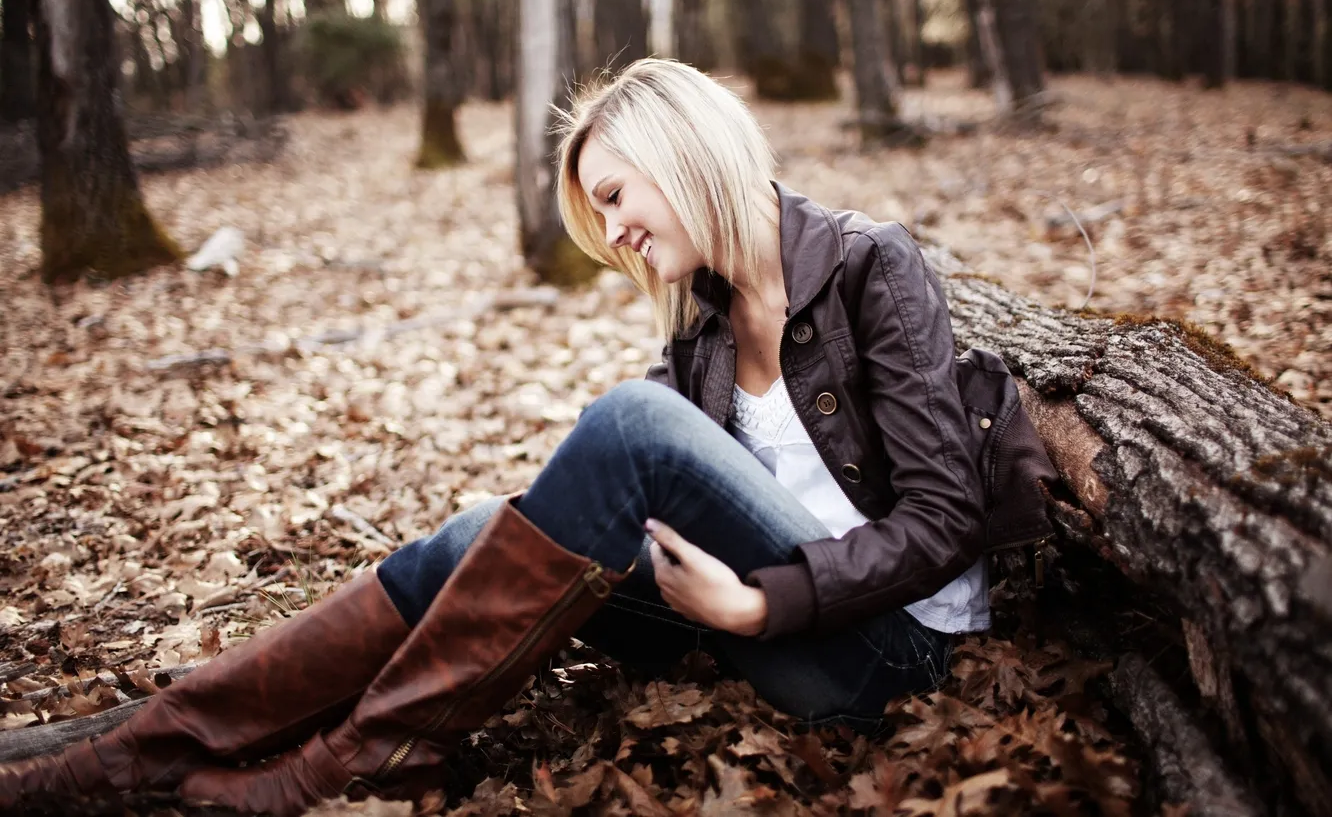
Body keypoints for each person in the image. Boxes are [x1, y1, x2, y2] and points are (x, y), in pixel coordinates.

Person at [0, 59, 1021, 816]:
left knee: (630, 419)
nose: (612, 234)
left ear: (686, 156)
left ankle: (343, 765)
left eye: (617, 196)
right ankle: (141, 750)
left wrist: (762, 603)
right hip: (759, 627)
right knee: (490, 523)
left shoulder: (867, 268)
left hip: (887, 659)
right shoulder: (703, 321)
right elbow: (611, 503)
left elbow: (943, 518)